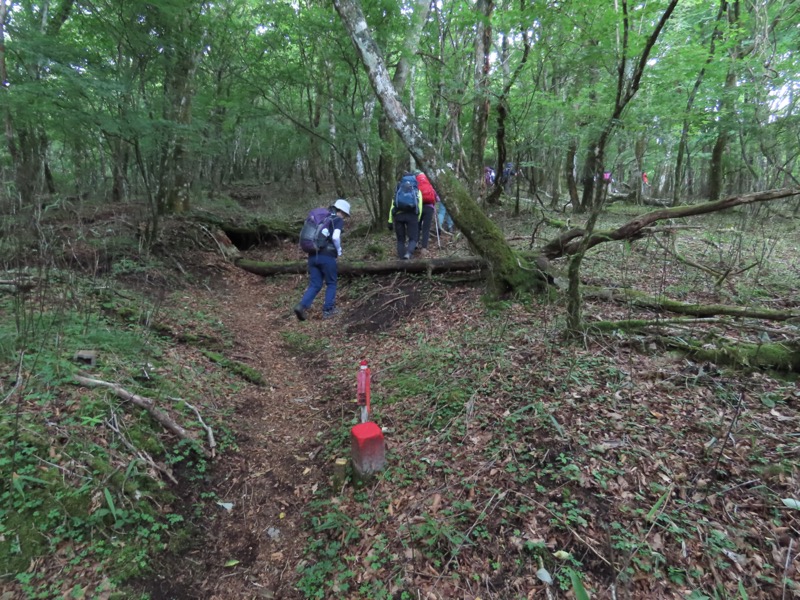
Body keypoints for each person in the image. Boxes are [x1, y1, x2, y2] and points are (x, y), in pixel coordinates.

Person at [293, 199, 350, 321]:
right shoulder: (337, 220)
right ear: (340, 211)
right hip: (327, 257)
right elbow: (335, 237)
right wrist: (339, 250)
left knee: (315, 284)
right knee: (331, 282)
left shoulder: (322, 219)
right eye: (344, 214)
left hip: (313, 256)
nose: (344, 217)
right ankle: (328, 310)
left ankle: (301, 306)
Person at [388, 173, 423, 259]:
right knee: (413, 238)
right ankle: (408, 254)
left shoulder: (399, 188)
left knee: (400, 240)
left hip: (398, 215)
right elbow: (420, 206)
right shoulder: (416, 190)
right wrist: (418, 218)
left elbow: (393, 204)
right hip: (412, 216)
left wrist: (390, 220)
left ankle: (401, 261)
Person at [415, 171, 438, 254]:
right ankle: (424, 248)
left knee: (417, 226)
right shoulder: (429, 185)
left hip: (419, 208)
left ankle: (415, 243)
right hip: (429, 207)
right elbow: (436, 198)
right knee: (426, 228)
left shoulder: (416, 184)